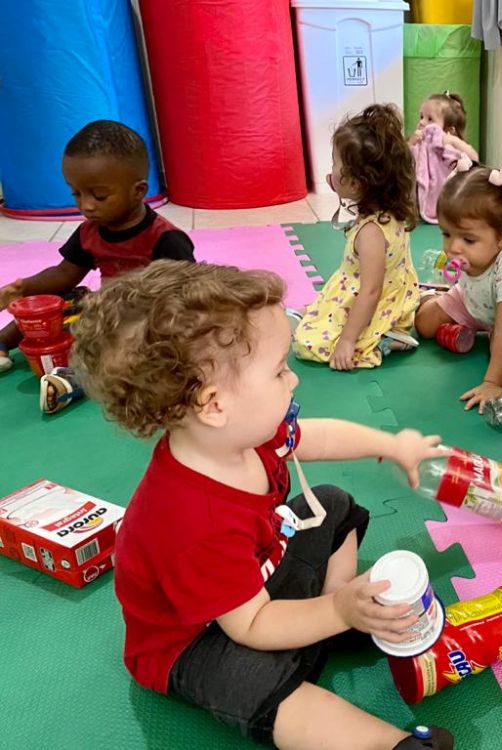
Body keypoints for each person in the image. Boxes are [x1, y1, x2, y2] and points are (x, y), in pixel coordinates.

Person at [72, 261, 454, 750]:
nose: (293, 381)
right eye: (279, 371)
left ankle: (329, 621)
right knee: (262, 690)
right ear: (214, 404)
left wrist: (391, 444)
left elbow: (315, 437)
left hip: (255, 579)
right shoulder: (191, 522)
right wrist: (339, 611)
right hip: (199, 640)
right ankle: (390, 743)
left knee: (332, 504)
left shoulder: (243, 434)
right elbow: (251, 625)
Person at [0, 119, 194, 372]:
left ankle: (82, 373)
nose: (86, 205)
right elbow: (64, 274)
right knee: (51, 304)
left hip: (150, 316)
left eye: (99, 196)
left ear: (138, 191)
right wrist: (23, 288)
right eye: (77, 193)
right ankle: (3, 341)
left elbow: (187, 297)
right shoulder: (89, 232)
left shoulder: (165, 238)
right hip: (104, 310)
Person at [292, 104, 420, 370]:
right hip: (397, 297)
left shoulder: (371, 232)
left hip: (375, 302)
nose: (331, 171)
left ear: (355, 184)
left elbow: (371, 291)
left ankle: (385, 338)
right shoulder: (389, 210)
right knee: (318, 314)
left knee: (307, 344)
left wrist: (347, 341)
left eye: (335, 164)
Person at [415, 162, 502, 412]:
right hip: (473, 299)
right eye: (446, 234)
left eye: (468, 239)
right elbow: (459, 280)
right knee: (424, 324)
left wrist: (492, 383)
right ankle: (430, 296)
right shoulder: (470, 251)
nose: (453, 247)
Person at [409, 92, 479, 224]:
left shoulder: (450, 146)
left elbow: (474, 158)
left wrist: (453, 141)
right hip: (417, 208)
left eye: (430, 119)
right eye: (421, 117)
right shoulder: (419, 144)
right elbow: (402, 161)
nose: (422, 122)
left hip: (449, 203)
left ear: (449, 130)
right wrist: (411, 144)